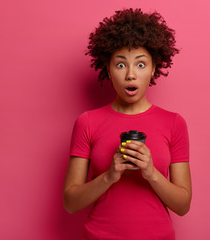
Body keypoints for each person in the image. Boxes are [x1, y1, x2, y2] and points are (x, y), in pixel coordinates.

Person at [63, 8, 192, 240]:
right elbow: (71, 203)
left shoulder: (174, 123)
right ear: (108, 69)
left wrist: (151, 172)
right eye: (121, 65)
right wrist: (110, 175)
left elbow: (183, 206)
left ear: (154, 68)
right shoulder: (87, 122)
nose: (131, 74)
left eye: (140, 65)